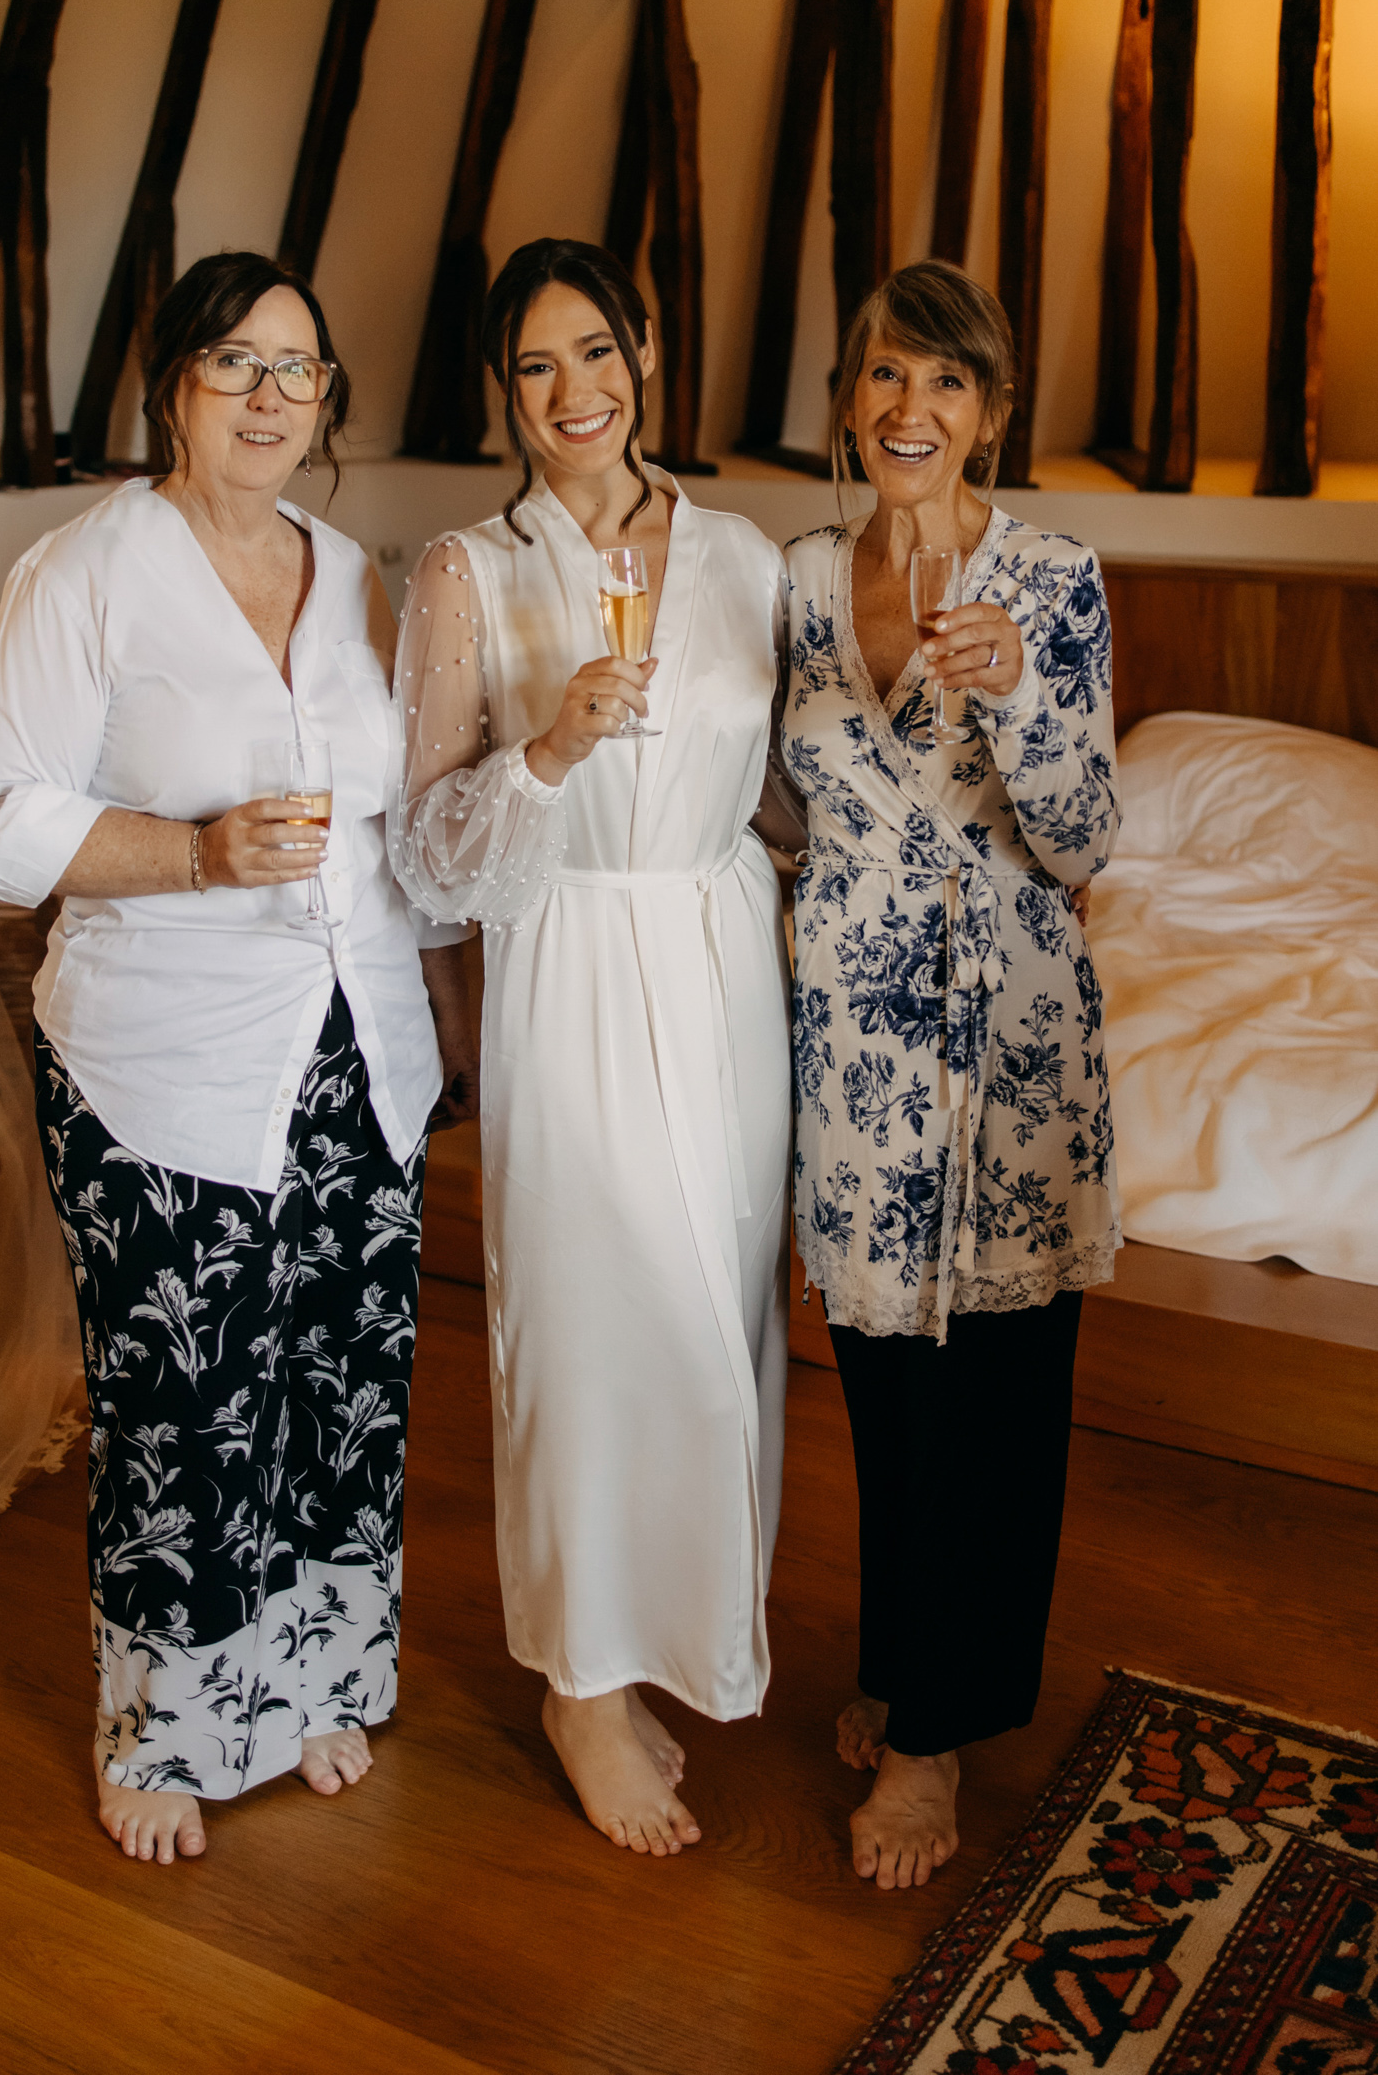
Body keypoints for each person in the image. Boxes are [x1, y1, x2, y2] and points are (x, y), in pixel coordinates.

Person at [0, 252, 475, 1867]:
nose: (268, 395)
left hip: (358, 1051)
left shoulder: (357, 575)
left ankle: (310, 1679)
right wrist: (194, 853)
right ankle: (167, 1728)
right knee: (185, 1402)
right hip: (163, 1061)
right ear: (171, 383)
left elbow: (398, 821)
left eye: (297, 369)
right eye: (234, 361)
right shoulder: (85, 574)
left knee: (339, 1385)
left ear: (326, 403)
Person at [389, 238, 798, 1859]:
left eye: (598, 351)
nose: (575, 391)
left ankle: (685, 1634)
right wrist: (550, 750)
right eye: (536, 366)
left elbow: (782, 792)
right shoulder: (465, 574)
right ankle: (581, 1680)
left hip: (724, 957)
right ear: (505, 395)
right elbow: (426, 856)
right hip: (568, 957)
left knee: (722, 1320)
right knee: (589, 1323)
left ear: (645, 356)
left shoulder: (749, 559)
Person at [779, 259, 1120, 1892]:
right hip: (853, 1040)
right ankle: (911, 1661)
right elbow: (776, 804)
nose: (912, 408)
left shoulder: (1053, 578)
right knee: (882, 1379)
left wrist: (1021, 697)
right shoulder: (793, 579)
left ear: (990, 412)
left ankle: (936, 1737)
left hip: (1012, 1034)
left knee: (998, 1391)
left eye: (949, 381)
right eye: (887, 374)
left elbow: (1086, 836)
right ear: (852, 396)